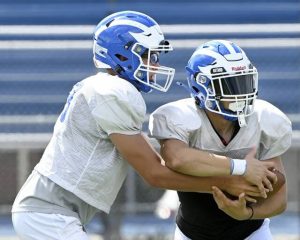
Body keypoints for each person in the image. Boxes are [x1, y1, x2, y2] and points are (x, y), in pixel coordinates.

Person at [11, 11, 276, 239]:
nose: (155, 65)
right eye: (150, 56)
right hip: (48, 213)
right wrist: (230, 178)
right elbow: (154, 174)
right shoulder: (112, 91)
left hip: (52, 213)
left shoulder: (104, 88)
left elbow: (166, 159)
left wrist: (226, 165)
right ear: (123, 55)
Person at [149, 40, 292, 240]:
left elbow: (279, 200)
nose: (240, 93)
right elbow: (177, 159)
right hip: (191, 233)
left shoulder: (264, 118)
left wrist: (248, 214)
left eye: (244, 82)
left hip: (251, 232)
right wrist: (241, 168)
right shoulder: (180, 116)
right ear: (202, 86)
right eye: (230, 85)